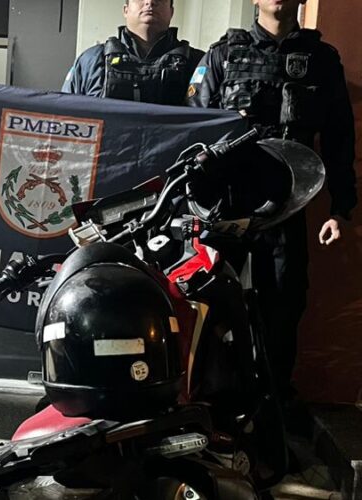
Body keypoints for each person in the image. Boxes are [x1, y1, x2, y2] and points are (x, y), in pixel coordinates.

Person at [187, 0, 357, 400]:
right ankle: (206, 396)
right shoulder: (222, 55)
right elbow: (192, 131)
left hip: (287, 204)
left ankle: (273, 400)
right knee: (208, 302)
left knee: (283, 304)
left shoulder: (321, 59)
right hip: (227, 205)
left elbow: (339, 139)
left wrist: (340, 208)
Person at [62, 0, 203, 105]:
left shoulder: (199, 64)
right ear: (126, 10)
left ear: (171, 11)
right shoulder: (91, 60)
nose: (149, 2)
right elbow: (64, 116)